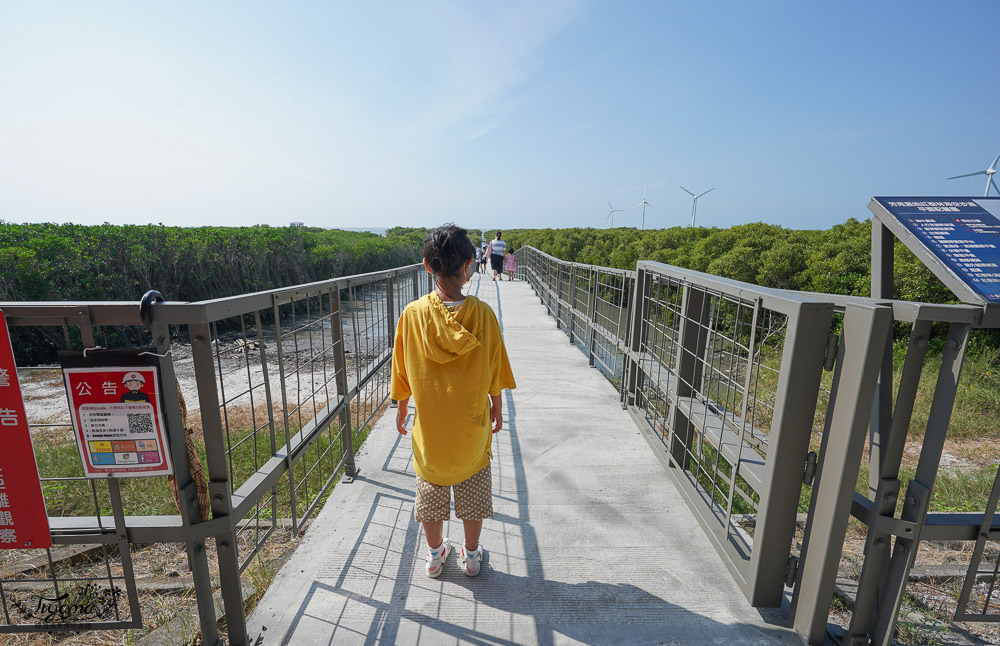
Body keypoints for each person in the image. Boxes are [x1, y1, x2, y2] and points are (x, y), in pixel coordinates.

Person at [391, 224, 516, 578]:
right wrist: (497, 405)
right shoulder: (483, 316)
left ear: (427, 266)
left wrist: (402, 407)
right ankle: (472, 555)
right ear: (469, 266)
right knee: (472, 490)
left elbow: (401, 369)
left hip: (430, 433)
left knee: (430, 496)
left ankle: (434, 554)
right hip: (470, 430)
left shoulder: (412, 315)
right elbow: (494, 367)